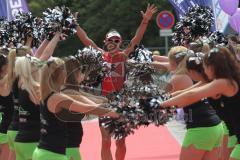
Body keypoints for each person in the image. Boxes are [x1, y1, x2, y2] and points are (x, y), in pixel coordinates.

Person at [75, 4, 157, 160]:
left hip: (122, 103)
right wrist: (75, 25)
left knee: (120, 142)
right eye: (110, 39)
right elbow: (86, 40)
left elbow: (136, 40)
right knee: (105, 141)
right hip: (104, 103)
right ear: (105, 41)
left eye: (116, 40)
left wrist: (145, 21)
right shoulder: (100, 55)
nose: (113, 41)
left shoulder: (124, 56)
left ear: (120, 42)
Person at [160, 47, 240, 160]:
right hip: (229, 132)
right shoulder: (216, 81)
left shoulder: (223, 82)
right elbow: (186, 92)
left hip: (219, 131)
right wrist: (161, 100)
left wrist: (160, 105)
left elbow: (191, 95)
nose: (204, 70)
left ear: (213, 67)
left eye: (205, 66)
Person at [32, 57, 118, 160]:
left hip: (45, 151)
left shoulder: (47, 94)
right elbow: (88, 108)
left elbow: (87, 100)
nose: (67, 73)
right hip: (53, 154)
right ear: (58, 74)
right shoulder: (57, 97)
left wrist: (108, 102)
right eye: (64, 70)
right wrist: (116, 113)